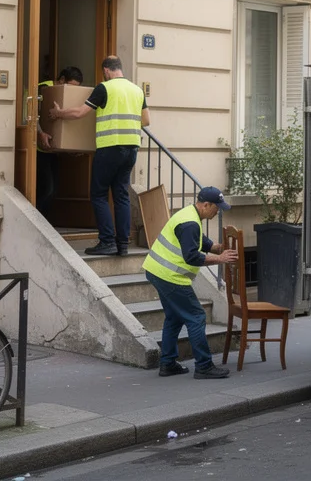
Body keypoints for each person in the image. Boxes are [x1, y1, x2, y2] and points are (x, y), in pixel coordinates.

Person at [49, 55, 148, 256]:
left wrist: (58, 114)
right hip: (131, 149)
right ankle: (122, 245)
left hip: (110, 148)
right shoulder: (136, 90)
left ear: (106, 71)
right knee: (121, 196)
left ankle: (106, 241)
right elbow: (145, 120)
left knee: (99, 194)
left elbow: (79, 113)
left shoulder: (105, 88)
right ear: (120, 68)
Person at [141, 187, 239, 379]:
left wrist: (215, 247)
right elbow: (191, 256)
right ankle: (204, 366)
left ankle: (168, 363)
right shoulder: (190, 223)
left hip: (157, 271)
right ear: (205, 205)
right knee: (196, 317)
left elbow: (196, 239)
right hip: (169, 276)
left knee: (174, 318)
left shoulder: (190, 214)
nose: (217, 211)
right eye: (216, 208)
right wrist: (220, 258)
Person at [35, 67, 83, 220]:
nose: (71, 90)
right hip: (39, 149)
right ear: (61, 80)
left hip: (54, 150)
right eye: (70, 85)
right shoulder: (43, 89)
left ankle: (45, 222)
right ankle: (38, 221)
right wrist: (40, 132)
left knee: (54, 190)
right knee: (47, 188)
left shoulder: (67, 93)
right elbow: (31, 114)